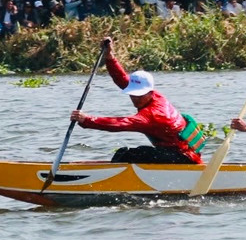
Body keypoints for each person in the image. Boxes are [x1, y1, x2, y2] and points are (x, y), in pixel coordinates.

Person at [68, 38, 210, 165]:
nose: (135, 98)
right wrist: (109, 56)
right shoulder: (156, 96)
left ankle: (112, 179)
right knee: (127, 153)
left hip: (183, 158)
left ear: (149, 92)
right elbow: (122, 80)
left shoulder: (152, 115)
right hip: (181, 152)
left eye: (139, 95)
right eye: (133, 94)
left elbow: (119, 124)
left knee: (129, 154)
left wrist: (87, 120)